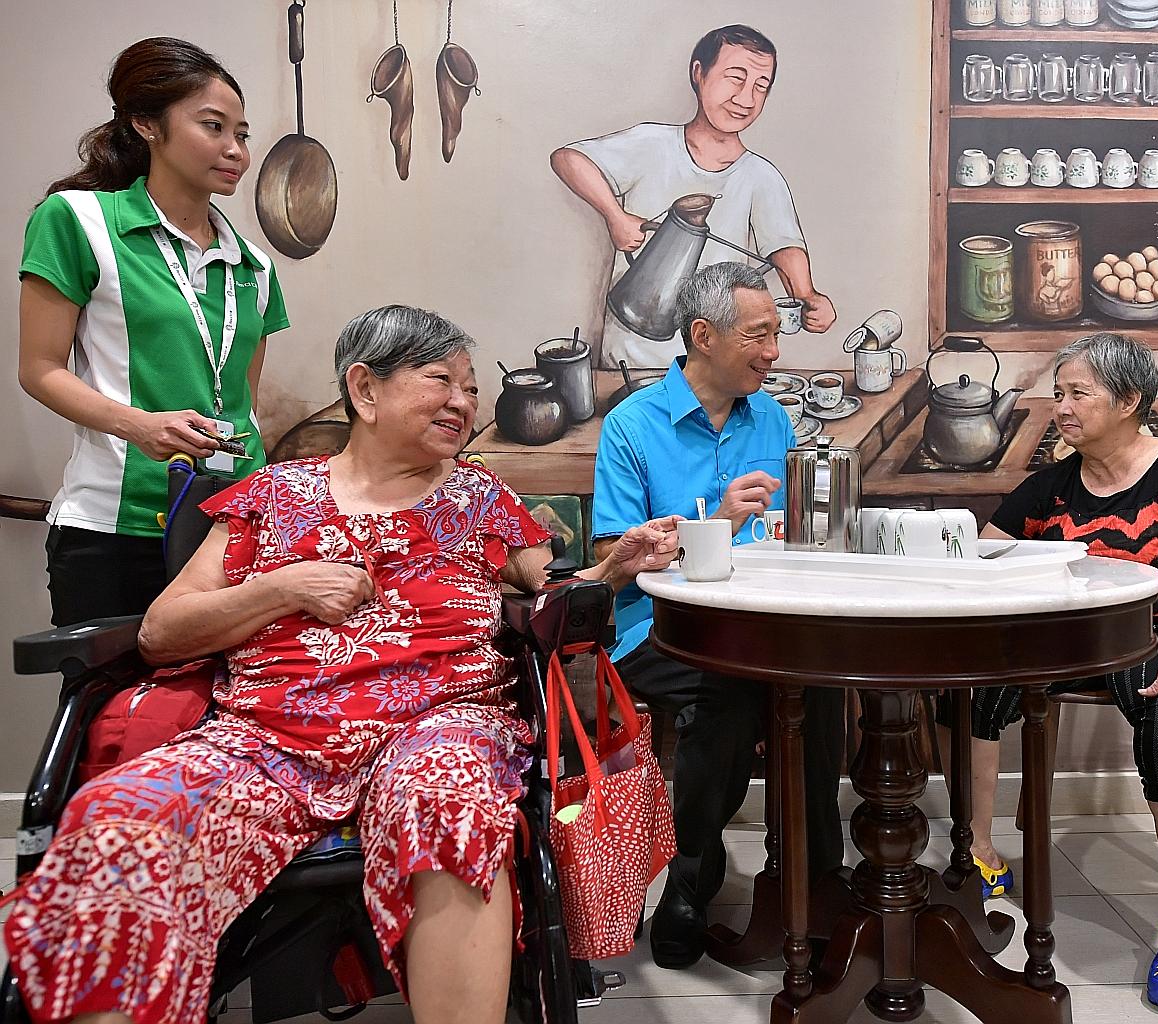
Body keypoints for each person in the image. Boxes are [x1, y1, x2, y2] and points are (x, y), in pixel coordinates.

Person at [2, 306, 681, 1024]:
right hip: (265, 739)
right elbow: (163, 632)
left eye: (472, 387)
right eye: (440, 379)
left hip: (439, 727)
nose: (463, 402)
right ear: (365, 389)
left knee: (451, 800)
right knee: (121, 822)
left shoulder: (481, 496)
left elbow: (551, 601)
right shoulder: (271, 496)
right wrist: (282, 587)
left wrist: (614, 568)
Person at [936, 333, 1158, 1019]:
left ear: (1130, 401)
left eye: (1077, 393)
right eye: (1059, 393)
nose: (1061, 407)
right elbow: (987, 558)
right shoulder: (1052, 483)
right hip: (1082, 635)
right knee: (970, 679)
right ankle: (982, 855)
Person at [592, 262, 844, 968]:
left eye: (774, 333)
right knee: (725, 695)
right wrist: (721, 523)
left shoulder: (772, 416)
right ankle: (690, 880)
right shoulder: (632, 425)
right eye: (758, 335)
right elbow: (614, 553)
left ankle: (812, 876)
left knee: (819, 684)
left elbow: (787, 529)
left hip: (758, 623)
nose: (773, 351)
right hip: (658, 628)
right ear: (703, 335)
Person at [17, 37, 289, 627]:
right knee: (115, 715)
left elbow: (243, 403)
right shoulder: (78, 220)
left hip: (233, 533)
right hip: (115, 532)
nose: (235, 149)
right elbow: (38, 370)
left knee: (230, 714)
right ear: (145, 124)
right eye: (213, 127)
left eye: (241, 134)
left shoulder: (256, 266)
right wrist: (139, 425)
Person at [551, 23, 836, 369]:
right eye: (735, 78)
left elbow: (785, 247)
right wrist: (616, 216)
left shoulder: (762, 177)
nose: (746, 99)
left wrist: (808, 297)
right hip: (632, 359)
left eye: (761, 87)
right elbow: (568, 159)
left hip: (718, 368)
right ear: (698, 73)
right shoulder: (652, 145)